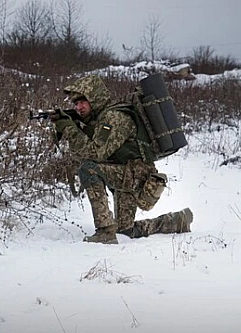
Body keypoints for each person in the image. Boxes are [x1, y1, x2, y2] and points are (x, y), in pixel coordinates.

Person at [51, 75, 193, 244]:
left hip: (134, 175)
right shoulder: (101, 118)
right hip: (126, 173)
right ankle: (177, 221)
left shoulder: (114, 117)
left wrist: (70, 129)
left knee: (89, 169)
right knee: (126, 231)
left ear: (94, 97)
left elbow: (95, 154)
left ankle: (105, 232)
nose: (78, 107)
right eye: (75, 103)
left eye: (82, 101)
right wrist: (72, 127)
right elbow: (82, 153)